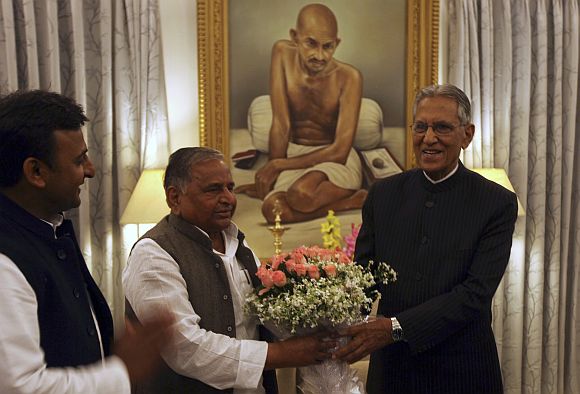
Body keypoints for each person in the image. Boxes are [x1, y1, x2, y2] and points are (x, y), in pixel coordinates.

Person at [332, 84, 518, 393]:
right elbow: (364, 279)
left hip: (463, 370)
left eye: (442, 127)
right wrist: (334, 321)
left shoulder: (495, 202)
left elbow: (475, 294)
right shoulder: (383, 194)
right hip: (395, 371)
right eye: (421, 127)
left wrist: (394, 328)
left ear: (467, 135)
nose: (429, 138)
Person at [0, 90, 173, 394]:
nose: (90, 170)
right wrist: (123, 372)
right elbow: (21, 387)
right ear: (36, 172)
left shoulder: (49, 231)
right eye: (79, 160)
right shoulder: (6, 262)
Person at [123, 147, 335, 393]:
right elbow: (184, 347)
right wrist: (280, 354)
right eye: (213, 190)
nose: (228, 199)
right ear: (175, 198)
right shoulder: (153, 252)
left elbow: (263, 318)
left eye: (230, 188)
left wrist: (327, 325)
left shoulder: (237, 243)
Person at [236, 3, 367, 224]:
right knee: (272, 210)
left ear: (337, 44)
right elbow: (281, 124)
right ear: (295, 37)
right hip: (294, 155)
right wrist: (271, 174)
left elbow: (340, 151)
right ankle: (352, 201)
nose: (320, 55)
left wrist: (278, 165)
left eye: (328, 46)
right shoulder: (281, 53)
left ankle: (351, 196)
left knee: (302, 194)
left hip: (334, 160)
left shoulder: (349, 77)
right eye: (311, 44)